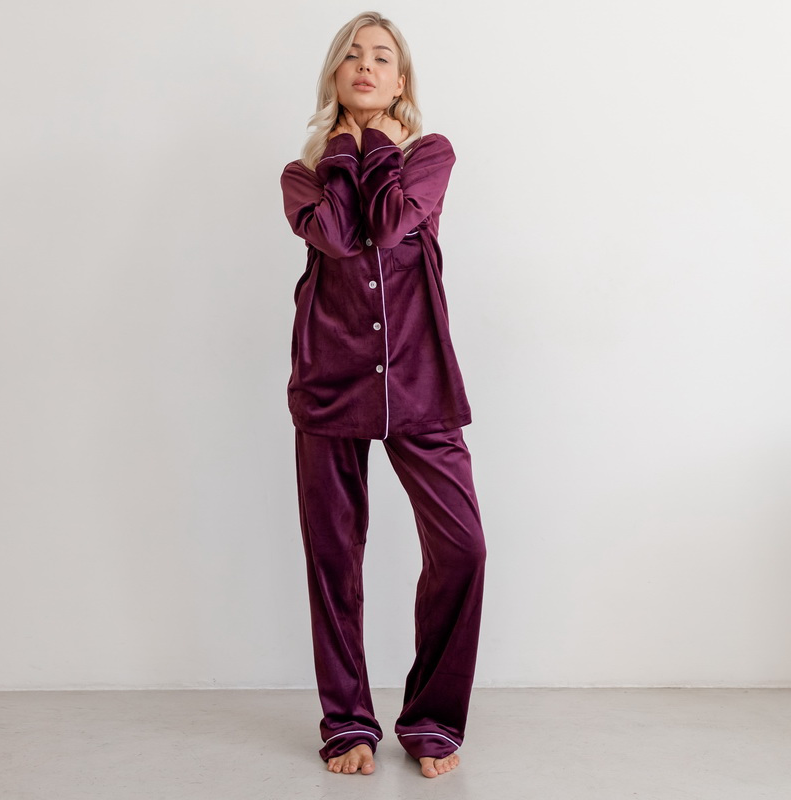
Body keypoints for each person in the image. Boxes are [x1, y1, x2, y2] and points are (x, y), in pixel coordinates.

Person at [279, 11, 487, 779]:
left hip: (420, 384)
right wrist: (348, 146)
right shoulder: (302, 176)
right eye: (353, 57)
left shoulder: (430, 156)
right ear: (335, 75)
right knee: (334, 560)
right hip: (329, 385)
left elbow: (392, 223)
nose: (366, 66)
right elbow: (338, 235)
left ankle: (431, 718)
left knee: (463, 548)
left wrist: (377, 149)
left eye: (382, 58)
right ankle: (347, 724)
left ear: (401, 82)